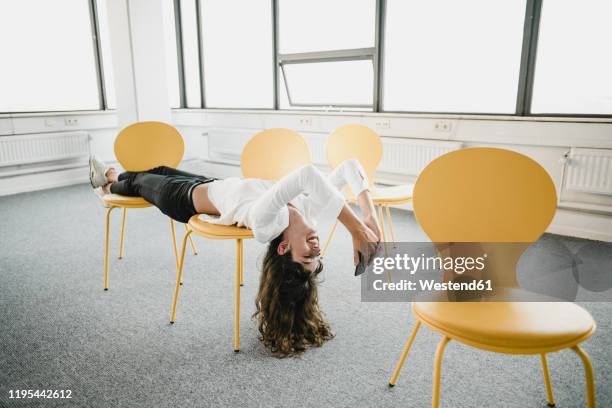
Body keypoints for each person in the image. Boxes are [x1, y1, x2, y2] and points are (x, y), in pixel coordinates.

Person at [90, 156, 381, 355]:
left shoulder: (266, 222)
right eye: (316, 258)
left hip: (183, 200)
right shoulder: (308, 214)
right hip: (215, 183)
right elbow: (349, 167)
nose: (316, 250)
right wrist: (370, 218)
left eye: (306, 257)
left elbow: (306, 174)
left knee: (141, 183)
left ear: (283, 249)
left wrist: (355, 229)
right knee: (161, 169)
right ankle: (120, 177)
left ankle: (108, 183)